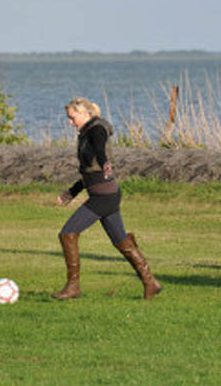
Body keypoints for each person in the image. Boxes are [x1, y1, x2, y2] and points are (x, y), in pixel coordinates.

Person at [52, 97, 162, 300]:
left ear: (84, 113)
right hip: (106, 195)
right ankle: (150, 282)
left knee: (68, 233)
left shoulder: (96, 129)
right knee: (122, 241)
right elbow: (88, 172)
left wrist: (105, 162)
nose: (70, 122)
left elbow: (100, 147)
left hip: (103, 197)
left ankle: (73, 287)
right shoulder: (86, 132)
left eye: (71, 117)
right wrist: (72, 192)